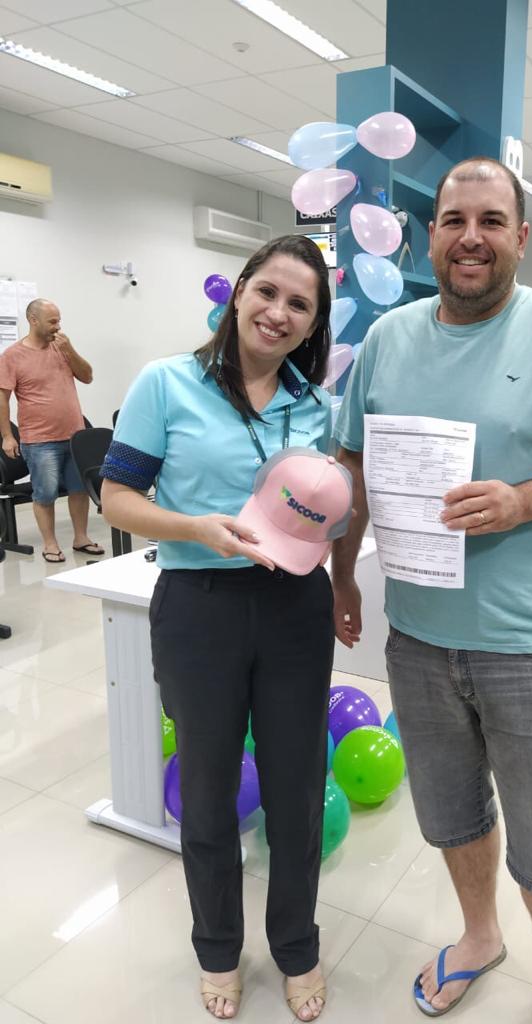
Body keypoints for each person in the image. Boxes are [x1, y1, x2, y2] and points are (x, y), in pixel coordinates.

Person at [332, 157, 532, 1024]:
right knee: (450, 813)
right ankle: (480, 937)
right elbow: (354, 465)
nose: (470, 237)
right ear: (429, 235)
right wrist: (342, 573)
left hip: (530, 645)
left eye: (489, 221)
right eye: (453, 220)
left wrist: (524, 501)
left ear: (520, 236)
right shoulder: (389, 338)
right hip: (418, 637)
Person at [100, 236, 336, 1022]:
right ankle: (217, 950)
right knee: (206, 791)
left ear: (312, 325)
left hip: (295, 610)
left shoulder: (315, 405)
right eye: (267, 291)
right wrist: (195, 528)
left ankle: (296, 946)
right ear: (238, 293)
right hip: (199, 606)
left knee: (297, 790)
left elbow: (320, 510)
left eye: (299, 304)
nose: (278, 312)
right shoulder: (167, 383)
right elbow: (117, 498)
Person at [0, 299, 104, 562]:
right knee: (45, 493)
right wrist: (8, 436)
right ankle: (50, 543)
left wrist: (70, 350)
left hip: (74, 436)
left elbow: (88, 376)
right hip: (39, 440)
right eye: (52, 321)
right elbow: (2, 399)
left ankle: (81, 538)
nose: (58, 326)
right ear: (33, 320)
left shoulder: (62, 348)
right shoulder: (12, 356)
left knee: (79, 489)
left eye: (59, 320)